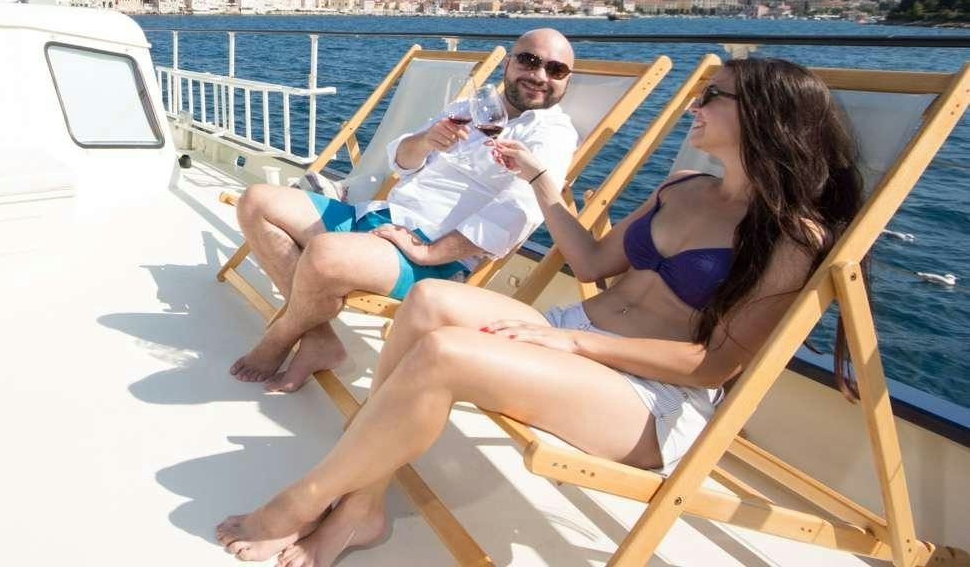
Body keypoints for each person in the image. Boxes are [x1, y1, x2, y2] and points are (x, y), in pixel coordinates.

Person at [216, 57, 864, 567]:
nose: (695, 107)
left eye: (712, 96)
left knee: (445, 355)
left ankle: (302, 500)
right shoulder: (683, 189)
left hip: (650, 400)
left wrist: (574, 347)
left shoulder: (790, 238)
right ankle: (362, 503)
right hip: (575, 339)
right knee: (428, 301)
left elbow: (709, 365)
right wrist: (538, 179)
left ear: (764, 116)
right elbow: (589, 263)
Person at [228, 28, 579, 394]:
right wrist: (426, 141)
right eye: (530, 61)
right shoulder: (470, 109)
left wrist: (430, 252)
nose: (540, 76)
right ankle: (318, 338)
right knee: (256, 201)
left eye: (555, 70)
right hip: (380, 218)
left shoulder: (550, 135)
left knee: (324, 255)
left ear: (566, 80)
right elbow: (401, 161)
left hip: (430, 255)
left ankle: (281, 335)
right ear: (509, 64)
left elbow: (520, 212)